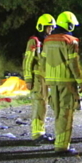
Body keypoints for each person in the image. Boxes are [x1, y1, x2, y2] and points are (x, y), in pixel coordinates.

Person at [40, 11, 82, 155]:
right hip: (67, 82)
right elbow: (74, 63)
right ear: (69, 25)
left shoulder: (47, 40)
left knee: (58, 112)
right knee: (66, 113)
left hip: (52, 82)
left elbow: (43, 61)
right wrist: (80, 80)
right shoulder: (71, 41)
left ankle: (58, 142)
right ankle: (62, 146)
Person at [26, 13, 56, 143]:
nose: (50, 30)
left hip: (46, 78)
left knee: (44, 105)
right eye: (48, 27)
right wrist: (28, 79)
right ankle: (37, 134)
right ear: (41, 27)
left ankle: (41, 131)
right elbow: (28, 61)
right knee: (39, 105)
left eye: (51, 27)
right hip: (38, 79)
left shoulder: (48, 41)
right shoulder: (34, 41)